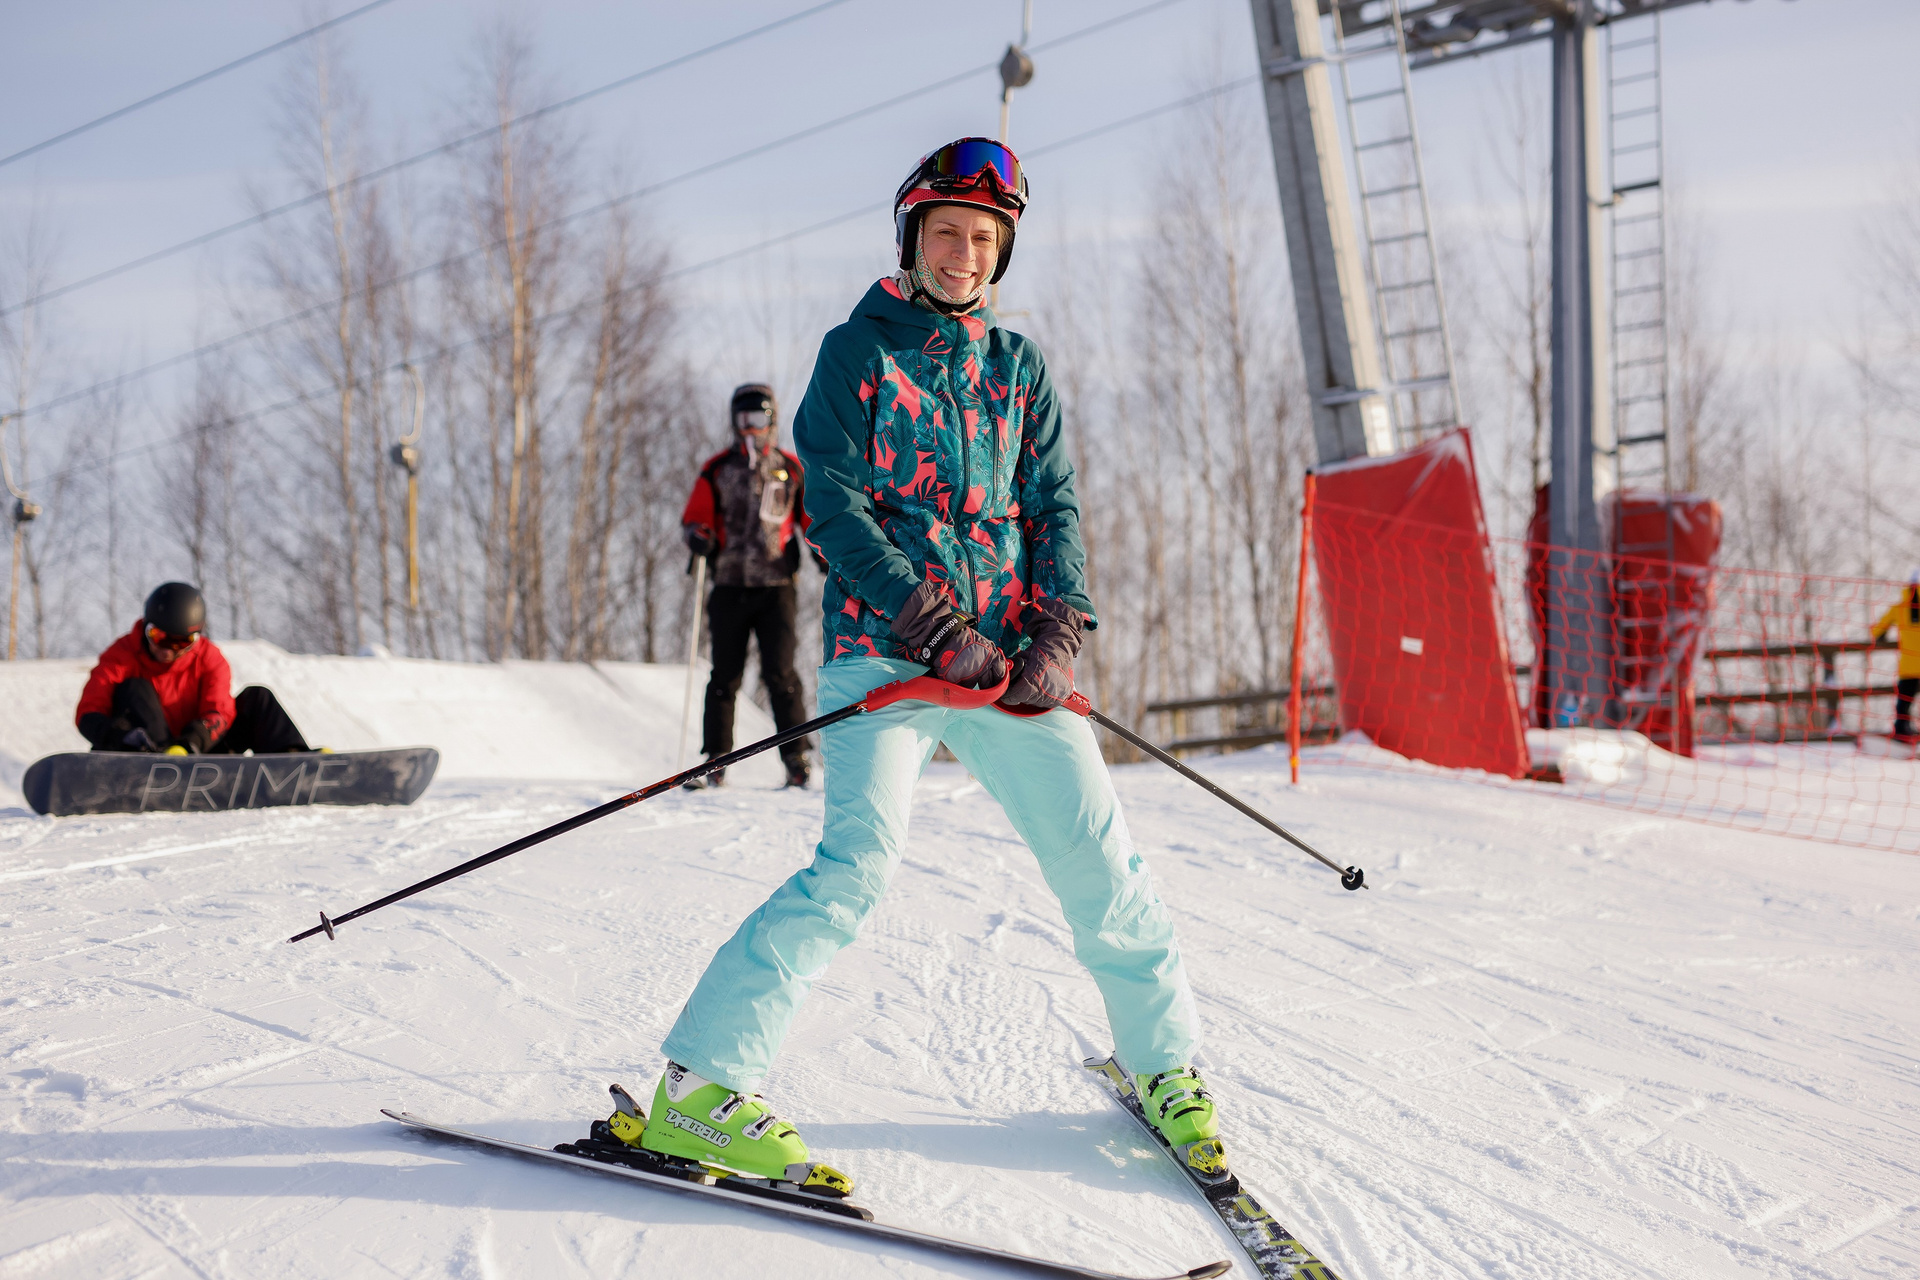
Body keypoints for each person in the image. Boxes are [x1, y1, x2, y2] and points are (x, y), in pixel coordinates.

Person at [610, 139, 1218, 1198]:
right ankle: (700, 1088)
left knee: (1100, 859)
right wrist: (929, 621)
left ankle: (1164, 1064)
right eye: (946, 231)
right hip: (890, 651)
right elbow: (830, 501)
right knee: (855, 868)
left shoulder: (1019, 367)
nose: (963, 253)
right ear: (912, 238)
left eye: (984, 237)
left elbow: (1054, 507)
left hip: (1005, 662)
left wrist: (1056, 633)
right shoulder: (857, 352)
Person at [680, 383, 825, 790]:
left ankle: (796, 758)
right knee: (724, 675)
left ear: (771, 420)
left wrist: (824, 554)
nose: (750, 428)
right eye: (743, 419)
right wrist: (698, 535)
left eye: (757, 419)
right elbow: (696, 515)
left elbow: (812, 519)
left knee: (781, 673)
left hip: (776, 586)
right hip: (729, 585)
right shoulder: (717, 468)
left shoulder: (790, 468)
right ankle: (715, 759)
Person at [76, 582, 314, 756]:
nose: (167, 650)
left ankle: (295, 762)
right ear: (146, 627)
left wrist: (188, 745)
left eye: (180, 642)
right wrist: (121, 737)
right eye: (158, 637)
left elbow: (219, 710)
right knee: (133, 688)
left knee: (258, 698)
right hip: (145, 754)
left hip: (199, 751)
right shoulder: (121, 656)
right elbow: (89, 711)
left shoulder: (209, 658)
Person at [1870, 569, 1920, 742]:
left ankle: (1901, 732)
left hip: (1908, 665)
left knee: (1904, 704)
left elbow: (1877, 630)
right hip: (1911, 665)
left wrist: (1882, 636)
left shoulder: (1899, 608)